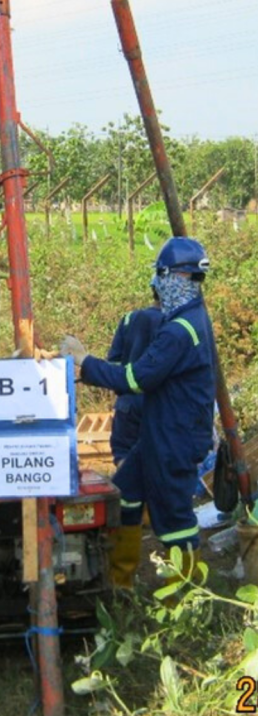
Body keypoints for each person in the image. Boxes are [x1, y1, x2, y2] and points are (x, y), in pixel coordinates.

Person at [61, 237, 216, 589]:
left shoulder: (180, 330)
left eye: (162, 276)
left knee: (174, 518)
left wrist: (85, 363)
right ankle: (121, 584)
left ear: (176, 277)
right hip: (160, 433)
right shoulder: (188, 317)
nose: (158, 285)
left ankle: (187, 598)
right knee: (126, 493)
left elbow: (137, 376)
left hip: (174, 438)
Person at [107, 292, 163, 465]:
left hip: (128, 403)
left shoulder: (129, 318)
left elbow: (114, 362)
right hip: (159, 403)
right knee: (159, 459)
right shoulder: (173, 323)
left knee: (123, 455)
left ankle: (127, 490)